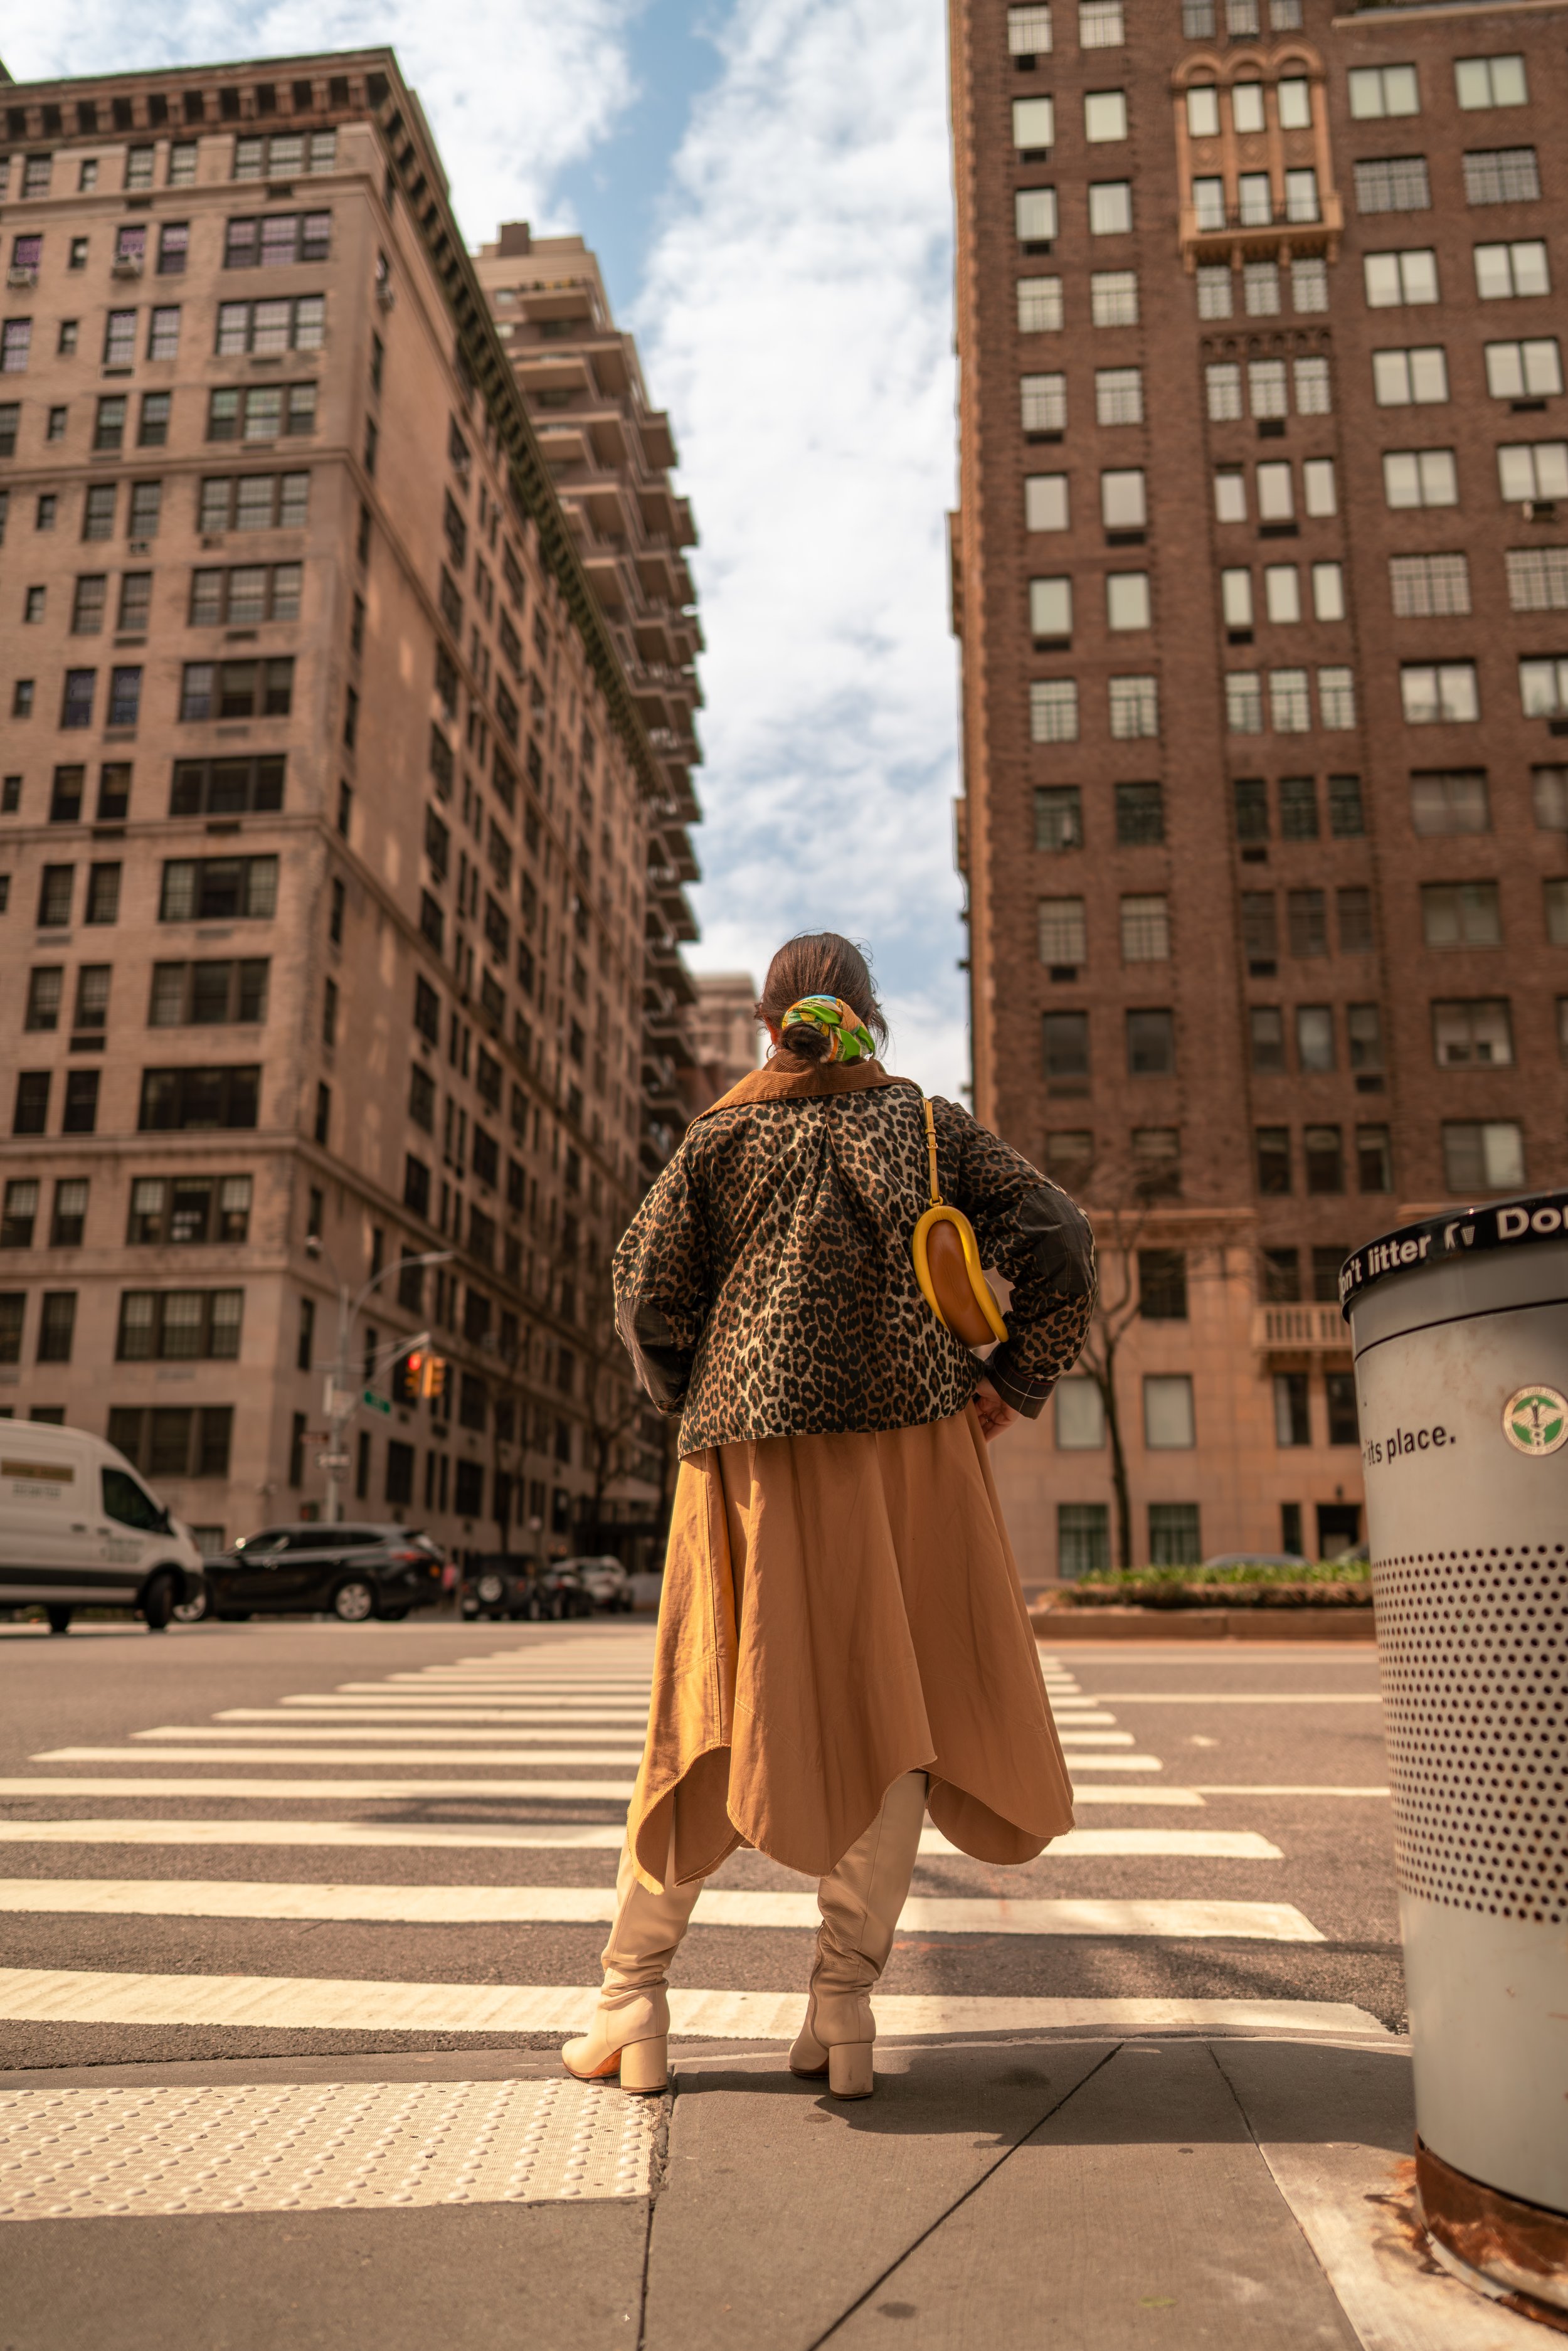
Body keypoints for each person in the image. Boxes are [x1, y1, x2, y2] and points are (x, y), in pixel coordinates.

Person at [562, 931, 1096, 2098]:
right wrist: (1012, 1383)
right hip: (912, 1452)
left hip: (749, 1457)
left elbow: (643, 1288)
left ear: (769, 1025)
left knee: (704, 1711)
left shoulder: (717, 1135)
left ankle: (630, 2002)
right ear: (870, 1018)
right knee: (893, 1716)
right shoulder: (925, 1129)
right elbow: (1061, 1241)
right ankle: (844, 2009)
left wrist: (690, 1393)